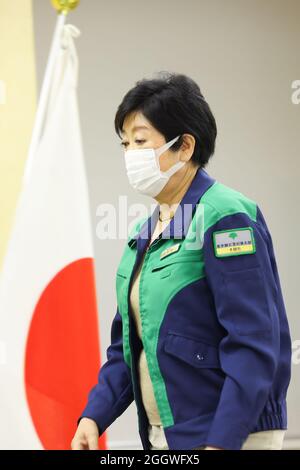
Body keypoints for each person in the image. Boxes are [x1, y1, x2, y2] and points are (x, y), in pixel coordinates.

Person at [71, 72, 291, 451]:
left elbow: (253, 341)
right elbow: (129, 347)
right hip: (164, 434)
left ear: (185, 146)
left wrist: (223, 440)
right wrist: (94, 415)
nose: (129, 155)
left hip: (231, 435)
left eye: (140, 141)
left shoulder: (225, 216)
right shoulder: (145, 233)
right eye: (124, 144)